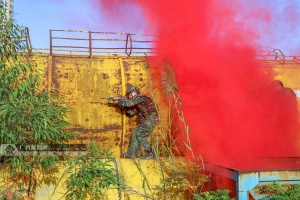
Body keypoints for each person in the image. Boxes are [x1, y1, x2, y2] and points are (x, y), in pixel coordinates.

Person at [109, 86, 158, 159]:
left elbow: (129, 103)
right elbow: (131, 112)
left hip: (152, 118)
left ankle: (150, 153)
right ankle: (131, 153)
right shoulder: (138, 103)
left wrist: (120, 101)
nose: (129, 96)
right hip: (149, 119)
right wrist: (122, 105)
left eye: (129, 94)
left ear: (134, 93)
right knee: (135, 133)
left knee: (140, 134)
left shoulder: (140, 98)